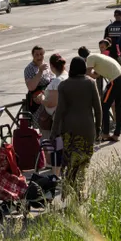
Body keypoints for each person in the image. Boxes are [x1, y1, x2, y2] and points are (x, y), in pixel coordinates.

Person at [51, 57, 103, 199]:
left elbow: (60, 111)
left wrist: (54, 132)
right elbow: (98, 109)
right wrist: (98, 128)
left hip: (69, 130)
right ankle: (80, 192)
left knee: (70, 162)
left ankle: (68, 191)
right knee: (83, 162)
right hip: (87, 129)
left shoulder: (64, 85)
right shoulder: (91, 83)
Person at [88, 41, 121, 142]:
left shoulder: (90, 58)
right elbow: (96, 75)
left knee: (104, 106)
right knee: (119, 107)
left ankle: (105, 133)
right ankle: (116, 134)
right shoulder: (100, 58)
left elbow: (89, 73)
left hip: (115, 81)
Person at [22, 45, 51, 120]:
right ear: (33, 55)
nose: (39, 57)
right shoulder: (29, 68)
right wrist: (40, 72)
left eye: (41, 54)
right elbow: (31, 87)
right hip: (37, 102)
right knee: (40, 123)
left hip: (47, 99)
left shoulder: (46, 66)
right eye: (37, 55)